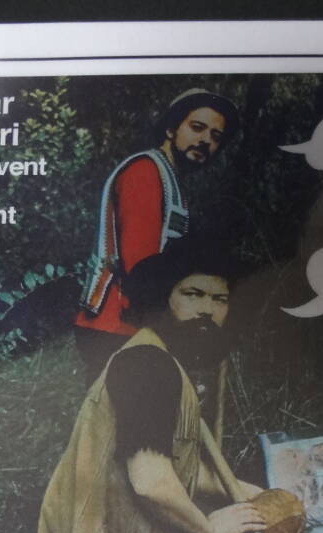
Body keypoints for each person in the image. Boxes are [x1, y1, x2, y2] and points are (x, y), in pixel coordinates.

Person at [31, 241, 263, 533]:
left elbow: (178, 465)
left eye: (219, 299)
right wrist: (209, 527)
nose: (207, 309)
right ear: (162, 298)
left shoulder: (160, 358)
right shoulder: (149, 366)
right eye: (193, 294)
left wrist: (252, 495)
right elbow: (152, 481)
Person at [75, 89, 240, 382]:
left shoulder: (168, 178)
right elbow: (142, 267)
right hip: (117, 324)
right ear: (170, 129)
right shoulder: (145, 172)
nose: (206, 140)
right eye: (197, 127)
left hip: (131, 323)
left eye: (216, 136)